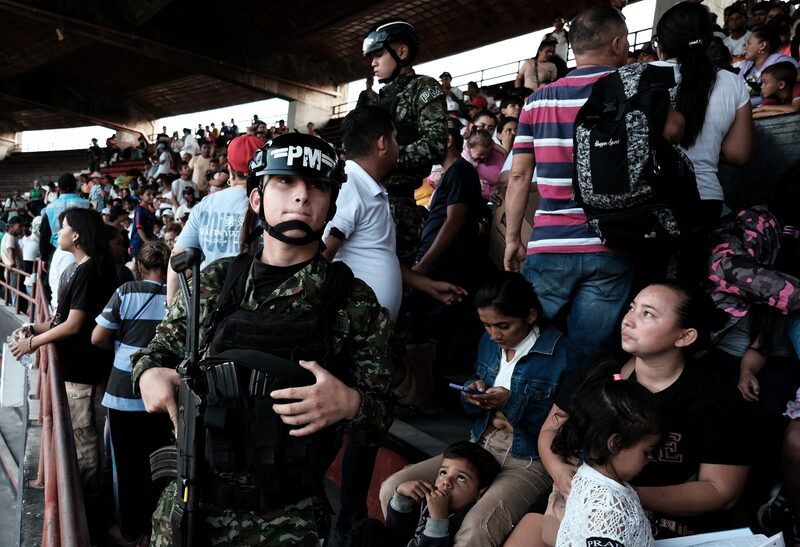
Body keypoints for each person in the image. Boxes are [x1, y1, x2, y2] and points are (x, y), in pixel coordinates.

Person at [132, 132, 393, 545]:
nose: (301, 197)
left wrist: (350, 404)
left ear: (331, 205)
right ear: (256, 200)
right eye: (285, 182)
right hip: (191, 506)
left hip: (289, 521)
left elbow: (380, 417)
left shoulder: (352, 301)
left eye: (317, 186)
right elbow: (155, 354)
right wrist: (150, 376)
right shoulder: (213, 283)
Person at [512, 282, 751, 545]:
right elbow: (551, 430)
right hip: (575, 495)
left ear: (685, 336)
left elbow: (721, 491)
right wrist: (560, 472)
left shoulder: (715, 398)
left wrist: (617, 495)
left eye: (647, 313)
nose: (628, 320)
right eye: (632, 308)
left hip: (663, 515)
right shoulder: (598, 369)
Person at [380, 273, 579, 546]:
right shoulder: (488, 343)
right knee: (394, 489)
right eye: (486, 325)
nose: (494, 334)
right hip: (480, 445)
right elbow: (472, 404)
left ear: (531, 315)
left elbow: (563, 429)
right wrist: (472, 394)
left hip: (528, 460)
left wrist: (511, 402)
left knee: (475, 531)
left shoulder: (564, 355)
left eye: (503, 326)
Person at [504, 6, 635, 358]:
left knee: (529, 344)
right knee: (588, 356)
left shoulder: (537, 100)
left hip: (548, 245)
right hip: (611, 244)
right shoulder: (631, 91)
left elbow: (518, 176)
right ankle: (571, 413)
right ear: (618, 43)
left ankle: (519, 409)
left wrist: (514, 239)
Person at [11, 207, 123, 542]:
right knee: (79, 435)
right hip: (76, 370)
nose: (57, 233)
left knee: (85, 439)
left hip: (83, 370)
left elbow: (74, 326)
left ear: (76, 235)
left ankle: (88, 512)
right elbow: (61, 321)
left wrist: (32, 342)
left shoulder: (90, 271)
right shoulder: (78, 269)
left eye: (63, 228)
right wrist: (33, 327)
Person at [651, 1, 754, 284]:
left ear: (662, 43)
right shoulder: (732, 83)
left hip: (648, 201)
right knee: (688, 290)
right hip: (704, 200)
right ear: (709, 37)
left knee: (646, 289)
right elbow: (738, 154)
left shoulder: (643, 77)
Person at [91, 241, 173, 546]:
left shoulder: (126, 292)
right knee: (158, 464)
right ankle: (154, 529)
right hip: (163, 394)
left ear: (138, 265)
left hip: (124, 390)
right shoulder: (179, 296)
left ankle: (128, 532)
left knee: (125, 467)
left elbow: (97, 337)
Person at [362, 18, 448, 266]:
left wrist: (382, 159)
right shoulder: (376, 98)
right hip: (370, 199)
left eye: (378, 55)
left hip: (400, 207)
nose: (373, 63)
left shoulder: (424, 86)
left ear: (401, 52)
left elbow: (436, 142)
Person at [551, 363, 662, 546]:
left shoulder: (590, 475)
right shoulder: (608, 510)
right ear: (615, 444)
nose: (650, 459)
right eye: (647, 452)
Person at [166, 134, 255, 303]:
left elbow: (178, 260)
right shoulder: (272, 207)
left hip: (207, 306)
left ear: (229, 169)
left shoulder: (207, 204)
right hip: (251, 307)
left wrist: (170, 307)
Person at [385, 441, 501, 547]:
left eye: (461, 478)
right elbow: (396, 535)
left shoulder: (464, 524)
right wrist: (401, 498)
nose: (446, 482)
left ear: (480, 494)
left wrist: (438, 520)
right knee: (370, 527)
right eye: (443, 473)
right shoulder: (426, 498)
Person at [739, 26, 799, 106]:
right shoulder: (748, 65)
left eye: (749, 43)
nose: (745, 47)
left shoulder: (781, 61)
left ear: (763, 45)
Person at [460, 128, 506, 201]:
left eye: (486, 154)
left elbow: (503, 152)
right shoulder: (465, 158)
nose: (483, 157)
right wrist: (476, 179)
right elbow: (465, 172)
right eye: (480, 154)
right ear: (469, 147)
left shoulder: (488, 149)